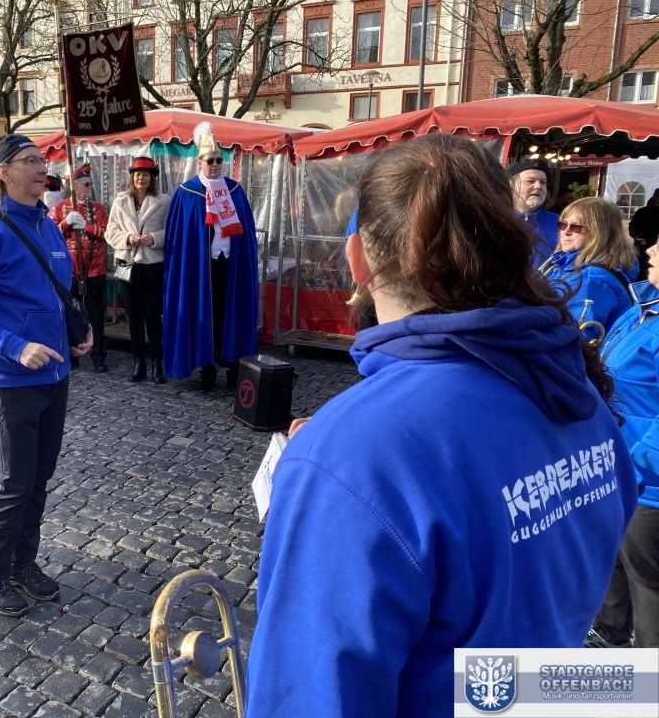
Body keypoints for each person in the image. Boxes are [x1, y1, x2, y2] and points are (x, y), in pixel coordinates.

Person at [246, 134, 638, 718]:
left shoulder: (353, 456)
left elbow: (309, 698)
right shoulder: (573, 383)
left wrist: (336, 477)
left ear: (357, 260)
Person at [0, 134, 92, 617]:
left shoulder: (48, 226)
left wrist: (79, 332)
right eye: (30, 161)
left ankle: (22, 562)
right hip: (9, 380)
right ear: (3, 172)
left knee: (39, 478)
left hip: (55, 374)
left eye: (42, 160)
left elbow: (58, 297)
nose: (41, 167)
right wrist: (16, 346)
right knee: (14, 482)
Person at [587, 243, 659, 649]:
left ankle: (648, 674)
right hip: (619, 471)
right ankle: (608, 634)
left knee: (648, 587)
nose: (651, 248)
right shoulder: (642, 308)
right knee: (613, 559)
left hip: (648, 486)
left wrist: (633, 460)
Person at [163, 122, 258, 390]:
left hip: (231, 263)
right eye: (210, 161)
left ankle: (233, 364)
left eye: (219, 160)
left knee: (230, 311)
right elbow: (179, 236)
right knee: (203, 312)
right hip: (199, 266)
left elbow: (247, 232)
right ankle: (206, 366)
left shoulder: (235, 190)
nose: (215, 165)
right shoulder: (186, 193)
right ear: (199, 162)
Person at [105, 156, 170, 384]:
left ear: (152, 178)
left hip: (153, 264)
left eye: (145, 174)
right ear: (132, 178)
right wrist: (127, 238)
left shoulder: (164, 201)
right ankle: (138, 362)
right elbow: (110, 231)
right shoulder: (120, 201)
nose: (141, 178)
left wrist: (154, 238)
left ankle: (157, 363)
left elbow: (171, 231)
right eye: (137, 174)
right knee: (133, 315)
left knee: (153, 315)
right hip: (127, 264)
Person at [539, 197, 635, 341]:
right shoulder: (566, 265)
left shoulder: (592, 280)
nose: (566, 231)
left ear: (599, 232)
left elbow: (573, 337)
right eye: (562, 224)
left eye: (576, 227)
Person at [49, 163, 109, 372]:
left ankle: (98, 355)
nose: (89, 187)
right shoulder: (59, 208)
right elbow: (50, 236)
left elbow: (106, 233)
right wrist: (65, 223)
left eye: (90, 184)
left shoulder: (98, 209)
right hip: (69, 270)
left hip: (95, 269)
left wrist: (87, 226)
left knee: (96, 315)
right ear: (74, 186)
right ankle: (71, 353)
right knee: (69, 313)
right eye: (86, 184)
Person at [507, 158, 559, 267]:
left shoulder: (563, 225)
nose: (538, 186)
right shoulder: (496, 221)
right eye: (530, 181)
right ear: (511, 184)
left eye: (543, 182)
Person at [629, 188, 659, 281]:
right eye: (657, 201)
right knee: (641, 274)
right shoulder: (643, 213)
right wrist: (637, 236)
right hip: (642, 249)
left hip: (657, 250)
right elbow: (632, 228)